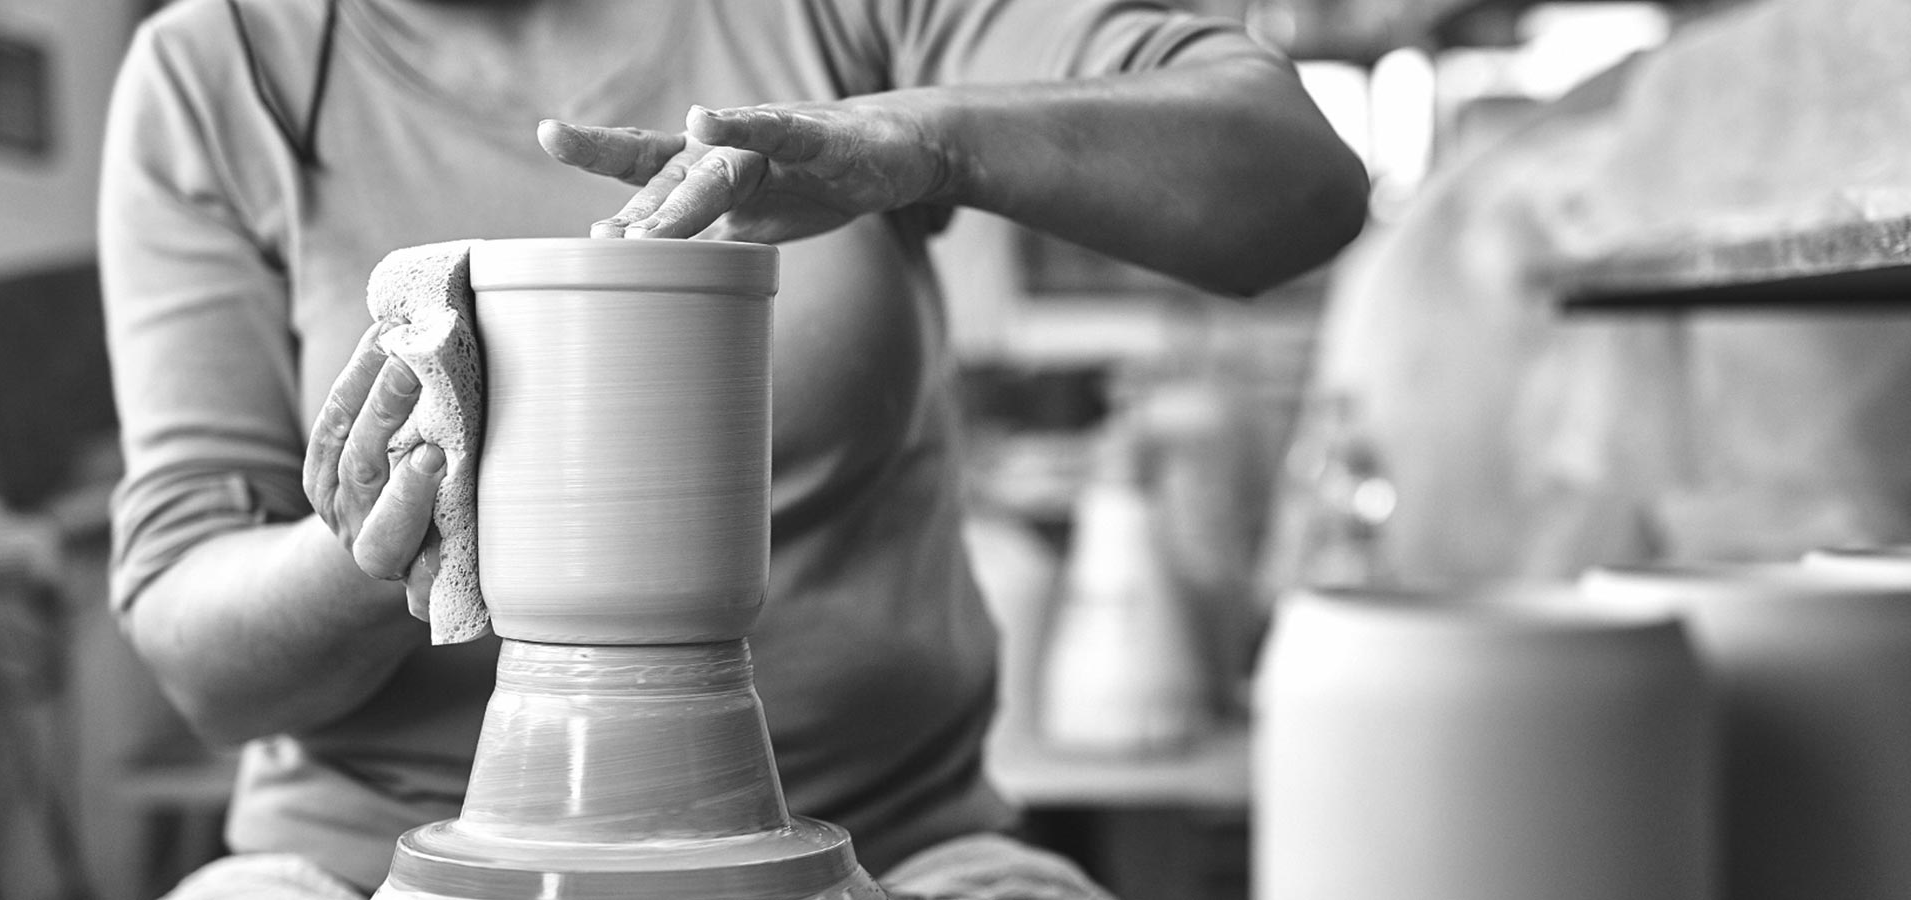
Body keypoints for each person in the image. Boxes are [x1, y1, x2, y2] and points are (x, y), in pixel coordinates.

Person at [98, 0, 1366, 896]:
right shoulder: (222, 70)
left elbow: (1299, 187)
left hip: (887, 843)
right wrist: (391, 539)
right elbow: (202, 663)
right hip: (372, 855)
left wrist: (925, 141)